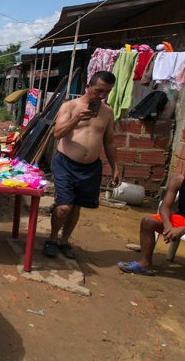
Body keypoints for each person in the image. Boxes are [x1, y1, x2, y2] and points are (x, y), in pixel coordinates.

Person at [118, 153, 185, 314]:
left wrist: (183, 229)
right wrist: (169, 225)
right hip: (182, 220)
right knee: (148, 221)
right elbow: (164, 206)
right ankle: (145, 265)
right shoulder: (179, 180)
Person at [44, 71, 122, 259]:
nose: (102, 96)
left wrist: (116, 168)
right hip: (65, 164)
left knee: (76, 206)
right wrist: (77, 118)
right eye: (99, 90)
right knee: (64, 206)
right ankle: (52, 238)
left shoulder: (107, 112)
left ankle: (64, 241)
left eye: (107, 92)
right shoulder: (70, 106)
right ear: (88, 87)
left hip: (91, 167)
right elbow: (57, 134)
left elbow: (109, 141)